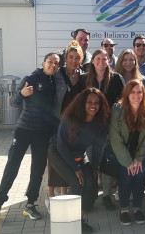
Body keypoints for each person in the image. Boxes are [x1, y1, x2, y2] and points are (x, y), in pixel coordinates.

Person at [0, 53, 60, 220]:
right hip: (24, 130)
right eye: (50, 62)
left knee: (38, 169)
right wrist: (22, 94)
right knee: (12, 165)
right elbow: (13, 102)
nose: (53, 65)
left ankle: (30, 204)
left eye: (56, 63)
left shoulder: (55, 81)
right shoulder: (31, 78)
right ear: (43, 62)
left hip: (43, 133)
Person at [48, 88, 110, 233]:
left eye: (96, 103)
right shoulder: (70, 118)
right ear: (83, 103)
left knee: (91, 183)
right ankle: (67, 222)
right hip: (58, 152)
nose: (93, 105)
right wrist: (76, 169)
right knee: (77, 183)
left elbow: (97, 148)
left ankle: (79, 219)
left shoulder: (100, 123)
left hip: (78, 154)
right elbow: (61, 145)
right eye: (89, 102)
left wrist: (94, 168)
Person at [109, 80, 145, 226]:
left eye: (139, 92)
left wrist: (138, 159)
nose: (136, 95)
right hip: (123, 153)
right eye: (132, 92)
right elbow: (114, 137)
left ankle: (137, 208)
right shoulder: (117, 108)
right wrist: (128, 162)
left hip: (141, 153)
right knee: (126, 177)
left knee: (139, 179)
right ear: (127, 94)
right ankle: (124, 210)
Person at [82, 49, 125, 210]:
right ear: (92, 61)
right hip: (89, 127)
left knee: (107, 163)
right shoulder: (84, 79)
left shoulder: (116, 78)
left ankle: (106, 195)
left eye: (104, 59)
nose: (101, 61)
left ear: (109, 61)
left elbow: (123, 100)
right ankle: (90, 195)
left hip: (109, 127)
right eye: (98, 58)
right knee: (90, 161)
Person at [46, 41, 85, 210]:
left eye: (77, 58)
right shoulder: (58, 74)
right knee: (54, 158)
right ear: (65, 58)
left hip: (74, 126)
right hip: (57, 122)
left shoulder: (83, 76)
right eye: (70, 57)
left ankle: (63, 194)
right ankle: (50, 194)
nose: (74, 61)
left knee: (67, 157)